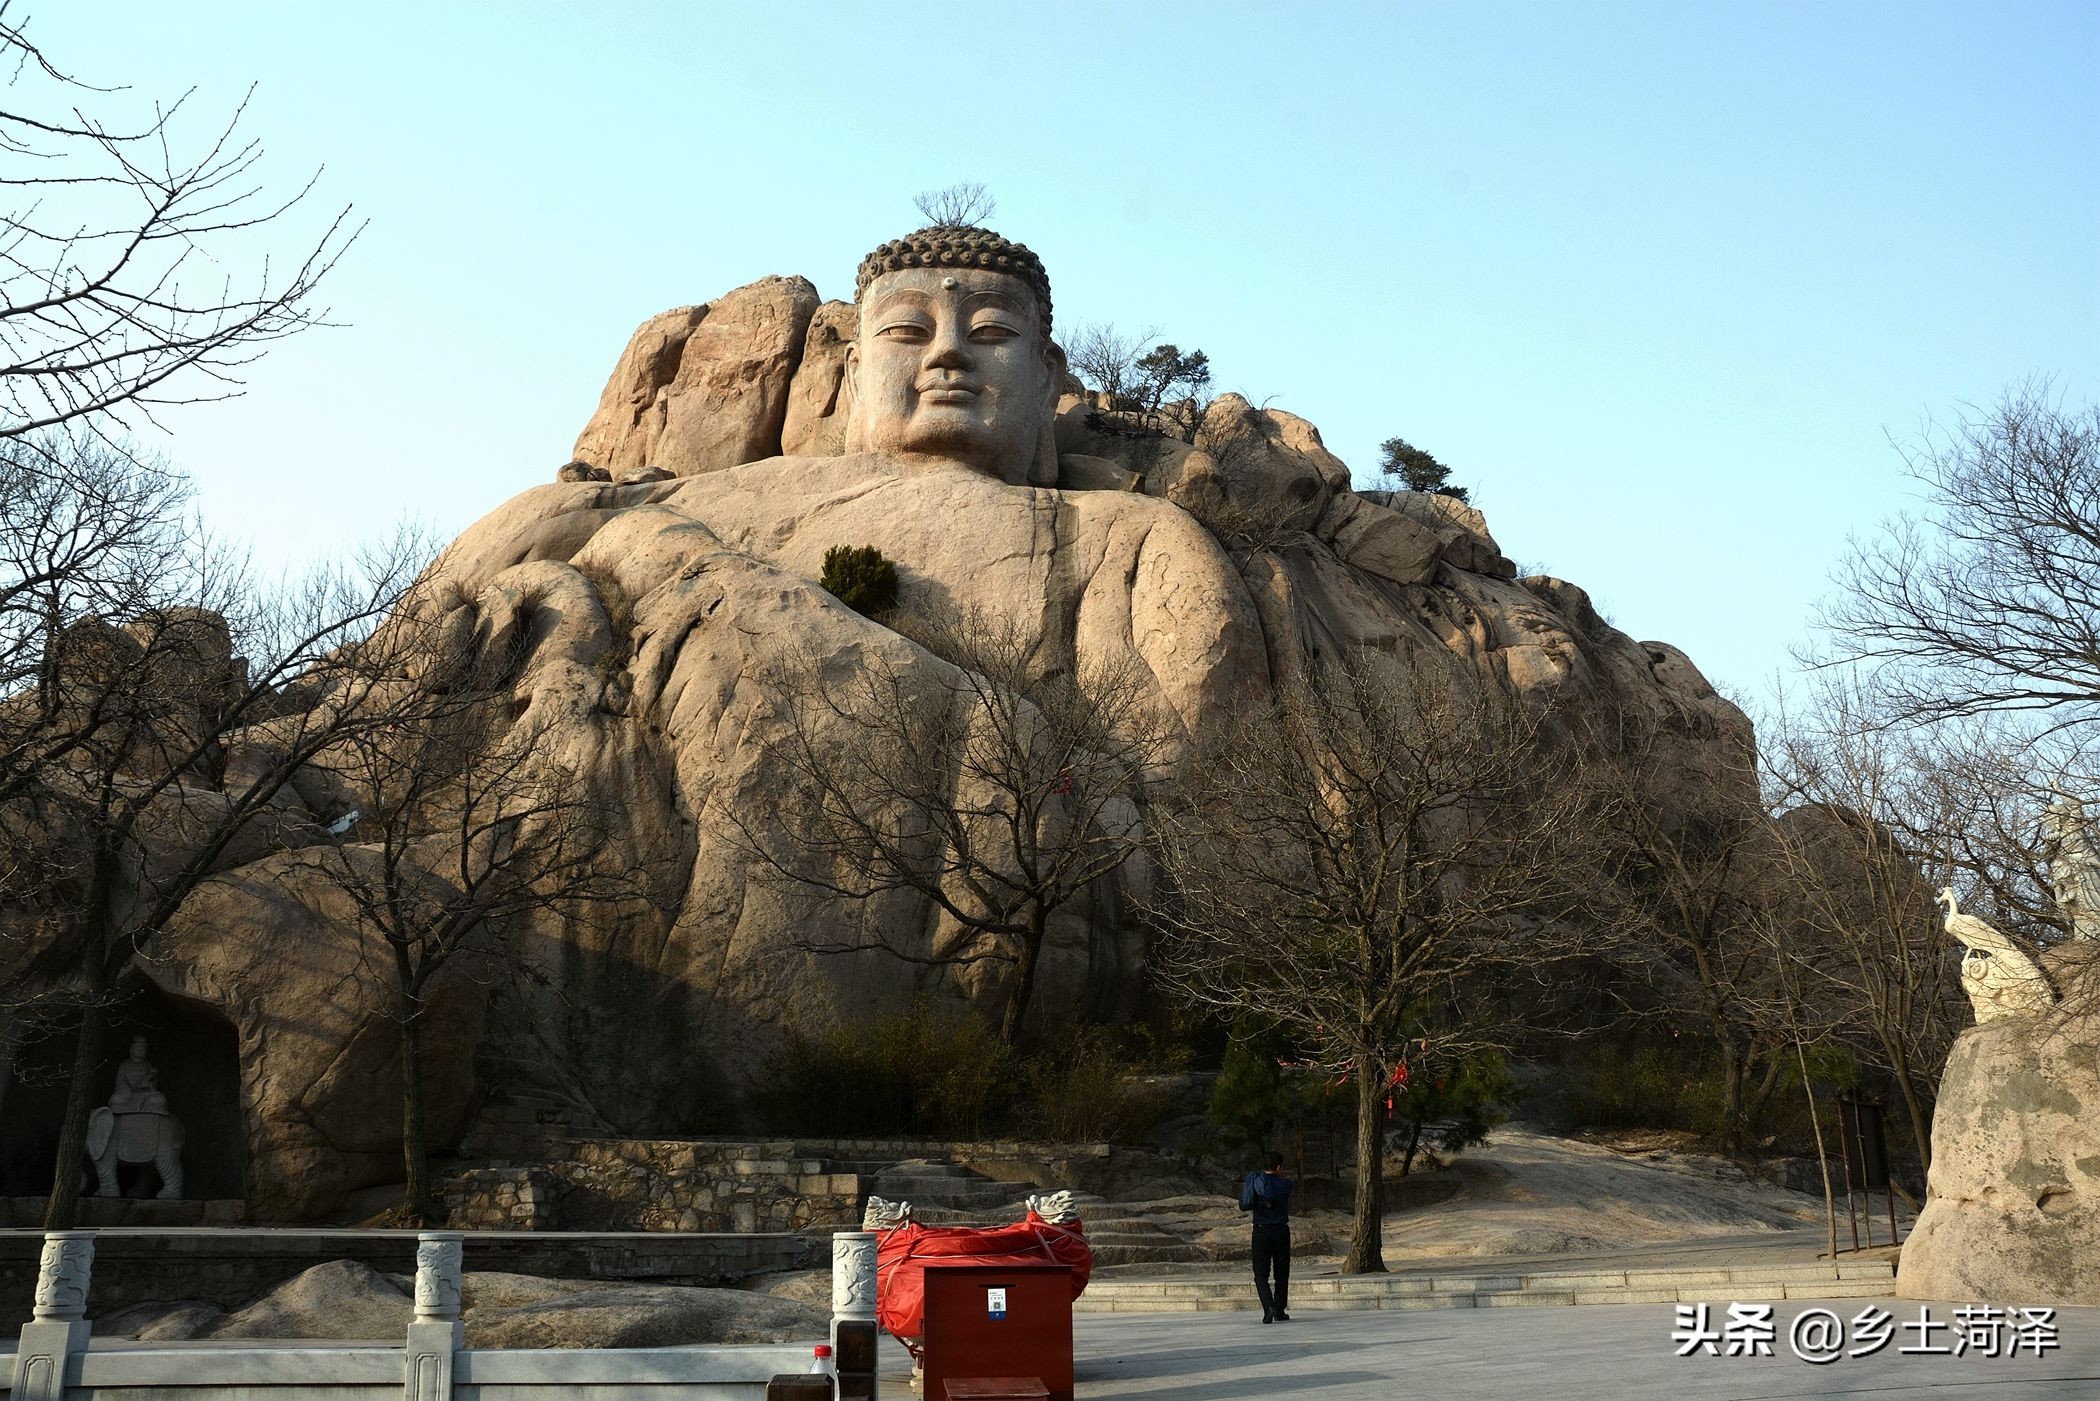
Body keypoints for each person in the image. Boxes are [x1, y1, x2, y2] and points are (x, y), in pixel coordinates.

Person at [1239, 1149, 1293, 1322]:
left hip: (1261, 1230)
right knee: (1282, 1273)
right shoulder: (1286, 1185)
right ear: (1278, 1167)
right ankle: (1278, 1308)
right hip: (1281, 1231)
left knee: (1260, 1273)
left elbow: (1248, 1201)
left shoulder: (1255, 1182)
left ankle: (1268, 1306)